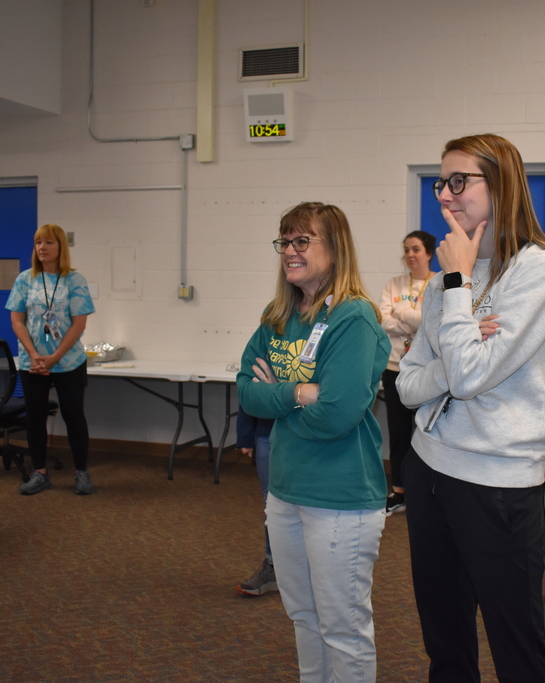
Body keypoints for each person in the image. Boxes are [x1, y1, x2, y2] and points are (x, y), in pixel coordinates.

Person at [396, 133, 545, 682]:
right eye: (440, 183)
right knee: (446, 642)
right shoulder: (443, 281)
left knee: (516, 647)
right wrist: (463, 337)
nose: (446, 195)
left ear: (501, 185)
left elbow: (472, 376)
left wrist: (454, 285)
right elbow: (408, 387)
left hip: (496, 480)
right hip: (428, 466)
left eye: (460, 181)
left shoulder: (542, 272)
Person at [237, 202, 390, 682]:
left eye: (303, 241)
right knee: (303, 617)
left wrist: (277, 399)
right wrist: (300, 393)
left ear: (335, 248)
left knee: (343, 627)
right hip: (285, 491)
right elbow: (245, 391)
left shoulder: (354, 317)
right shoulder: (279, 316)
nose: (290, 251)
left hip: (340, 495)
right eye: (285, 241)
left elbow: (339, 414)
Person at [6, 224, 96, 496]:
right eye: (38, 243)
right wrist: (34, 355)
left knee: (73, 416)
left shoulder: (75, 280)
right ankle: (39, 473)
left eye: (48, 243)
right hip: (32, 362)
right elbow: (16, 320)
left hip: (67, 361)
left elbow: (79, 324)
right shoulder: (25, 279)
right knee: (35, 417)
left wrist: (54, 357)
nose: (42, 248)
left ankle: (81, 472)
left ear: (60, 248)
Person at [378, 230, 437, 516]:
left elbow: (434, 323)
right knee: (399, 434)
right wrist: (415, 322)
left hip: (428, 372)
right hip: (394, 369)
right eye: (406, 250)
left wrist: (402, 313)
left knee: (428, 433)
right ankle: (399, 492)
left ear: (429, 253)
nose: (410, 255)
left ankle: (428, 493)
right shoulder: (394, 283)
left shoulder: (438, 283)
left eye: (416, 249)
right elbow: (382, 321)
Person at [234, 404, 277, 596]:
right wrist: (246, 432)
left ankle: (309, 572)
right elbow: (250, 386)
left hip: (308, 433)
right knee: (271, 504)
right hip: (267, 432)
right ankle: (273, 566)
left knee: (308, 504)